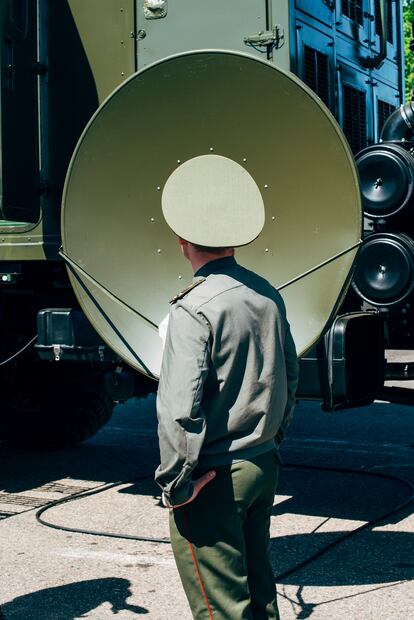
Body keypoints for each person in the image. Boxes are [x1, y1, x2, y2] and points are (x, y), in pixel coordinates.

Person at [155, 154, 299, 619]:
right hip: (261, 463)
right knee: (259, 597)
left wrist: (177, 483)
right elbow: (289, 377)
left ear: (182, 239)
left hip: (214, 476)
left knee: (222, 610)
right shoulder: (266, 293)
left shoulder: (193, 309)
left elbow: (180, 408)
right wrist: (270, 441)